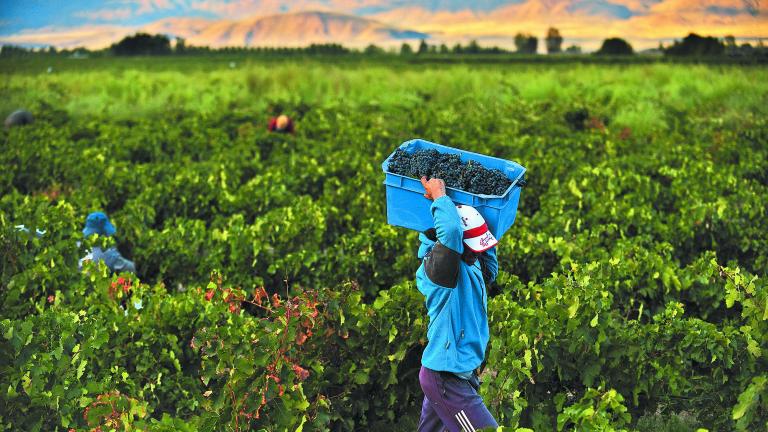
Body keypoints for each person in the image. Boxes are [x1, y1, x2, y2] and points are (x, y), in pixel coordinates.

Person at [417, 176, 500, 432]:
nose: (478, 253)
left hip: (453, 372)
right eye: (472, 247)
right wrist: (440, 197)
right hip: (446, 377)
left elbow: (490, 264)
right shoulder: (440, 271)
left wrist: (478, 207)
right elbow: (452, 232)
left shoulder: (474, 265)